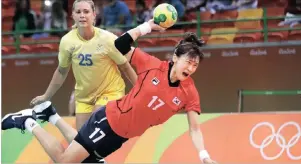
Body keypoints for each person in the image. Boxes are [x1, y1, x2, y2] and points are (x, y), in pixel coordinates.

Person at [2, 19, 216, 164]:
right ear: (175, 58)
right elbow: (119, 44)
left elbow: (195, 129)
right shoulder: (152, 65)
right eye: (188, 62)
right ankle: (27, 122)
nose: (190, 68)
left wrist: (204, 155)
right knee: (66, 161)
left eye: (195, 66)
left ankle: (51, 115)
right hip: (108, 120)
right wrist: (147, 26)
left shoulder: (189, 92)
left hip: (121, 136)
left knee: (84, 158)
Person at [30, 0, 137, 130]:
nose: (82, 15)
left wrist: (140, 90)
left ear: (94, 15)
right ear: (73, 16)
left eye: (86, 11)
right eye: (78, 12)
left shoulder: (108, 39)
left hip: (110, 91)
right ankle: (45, 119)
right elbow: (61, 71)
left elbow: (125, 66)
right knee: (82, 143)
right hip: (84, 97)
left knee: (96, 124)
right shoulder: (67, 41)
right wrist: (46, 96)